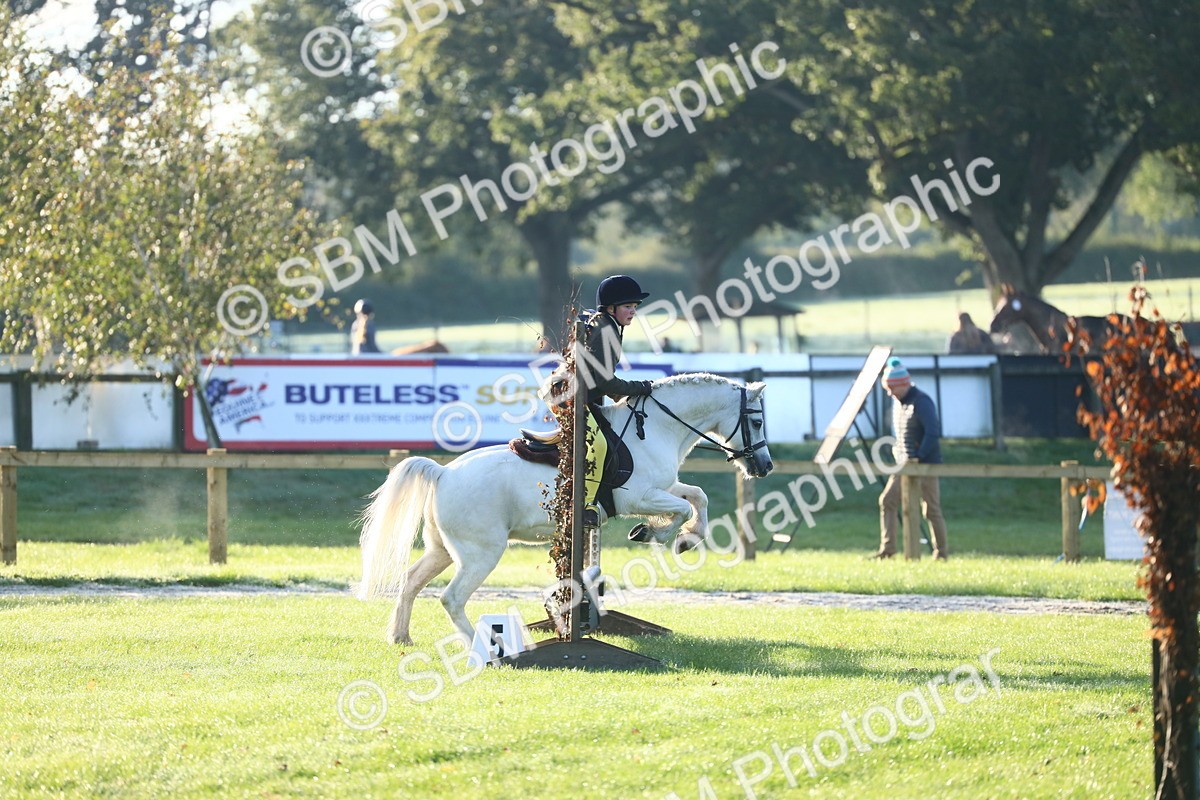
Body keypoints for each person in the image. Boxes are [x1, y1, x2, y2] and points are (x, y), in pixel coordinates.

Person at [580, 275, 653, 528]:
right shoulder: (605, 329)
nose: (633, 311)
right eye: (627, 306)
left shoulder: (607, 324)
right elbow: (604, 381)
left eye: (635, 306)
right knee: (598, 445)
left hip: (587, 398)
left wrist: (622, 395)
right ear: (611, 308)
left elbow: (601, 379)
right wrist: (639, 388)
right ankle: (586, 506)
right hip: (573, 401)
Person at [873, 357, 949, 560]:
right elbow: (902, 436)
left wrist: (920, 456)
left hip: (925, 465)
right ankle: (888, 550)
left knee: (931, 510)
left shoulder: (922, 402)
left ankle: (941, 553)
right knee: (888, 500)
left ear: (904, 384)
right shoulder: (900, 403)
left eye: (892, 388)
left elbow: (933, 433)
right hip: (905, 465)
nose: (890, 393)